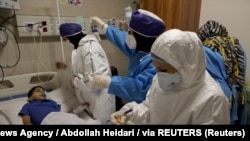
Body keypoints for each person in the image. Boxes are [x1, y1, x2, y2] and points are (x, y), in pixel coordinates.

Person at [110, 29, 231, 125]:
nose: (158, 74)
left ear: (185, 66)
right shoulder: (160, 80)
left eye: (163, 69)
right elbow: (149, 109)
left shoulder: (213, 99)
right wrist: (130, 113)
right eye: (156, 68)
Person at [90, 9, 166, 104]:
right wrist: (103, 25)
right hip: (134, 105)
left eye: (130, 32)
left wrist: (109, 82)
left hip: (147, 108)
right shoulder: (140, 50)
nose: (127, 36)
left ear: (141, 38)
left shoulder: (156, 63)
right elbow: (120, 38)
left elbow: (140, 90)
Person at [56, 22, 116, 124]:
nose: (66, 42)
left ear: (70, 36)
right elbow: (80, 71)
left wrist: (74, 82)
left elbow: (94, 80)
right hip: (89, 99)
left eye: (65, 39)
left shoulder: (90, 49)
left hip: (99, 100)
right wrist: (65, 67)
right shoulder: (79, 49)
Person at [18, 86, 101, 125]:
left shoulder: (51, 102)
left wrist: (80, 108)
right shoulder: (28, 106)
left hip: (62, 118)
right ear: (30, 98)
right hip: (47, 121)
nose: (41, 92)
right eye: (38, 91)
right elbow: (27, 123)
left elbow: (63, 115)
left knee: (74, 120)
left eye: (43, 91)